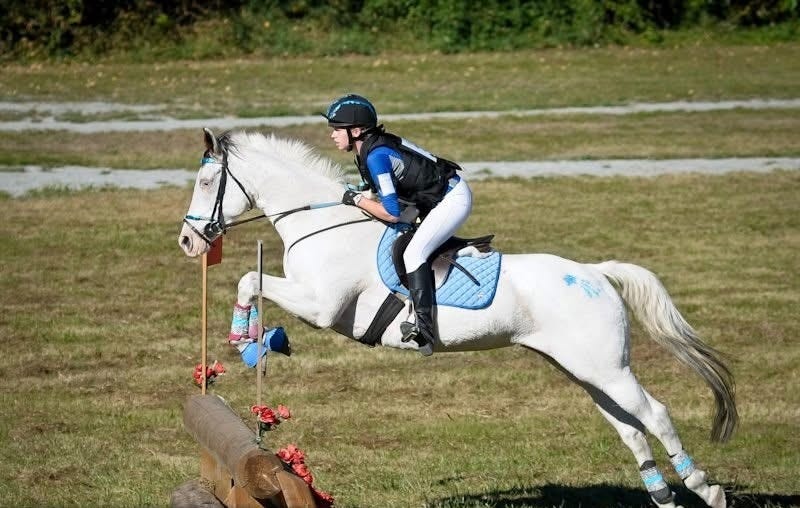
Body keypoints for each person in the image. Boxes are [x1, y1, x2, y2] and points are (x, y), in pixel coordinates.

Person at [323, 94, 473, 356]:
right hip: (429, 198)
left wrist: (356, 199)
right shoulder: (370, 148)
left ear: (356, 131)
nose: (332, 135)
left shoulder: (375, 156)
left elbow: (391, 214)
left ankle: (424, 330)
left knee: (414, 253)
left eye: (337, 129)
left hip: (452, 199)